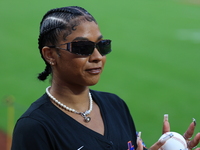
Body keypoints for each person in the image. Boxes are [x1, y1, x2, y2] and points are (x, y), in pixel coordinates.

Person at [11, 6, 200, 150]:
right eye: (82, 48)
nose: (98, 56)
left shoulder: (115, 105)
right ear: (50, 55)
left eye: (102, 45)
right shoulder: (35, 127)